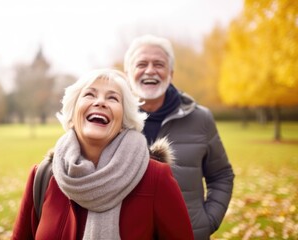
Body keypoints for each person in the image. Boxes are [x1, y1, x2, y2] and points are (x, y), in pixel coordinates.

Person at [12, 69, 194, 240]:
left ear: (124, 120)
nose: (100, 102)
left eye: (113, 98)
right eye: (89, 94)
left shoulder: (156, 177)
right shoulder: (42, 176)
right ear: (73, 113)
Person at [124, 35, 235, 240]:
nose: (150, 70)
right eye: (141, 64)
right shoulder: (112, 120)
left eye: (159, 64)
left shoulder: (200, 118)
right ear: (128, 73)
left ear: (171, 73)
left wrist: (208, 220)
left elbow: (222, 175)